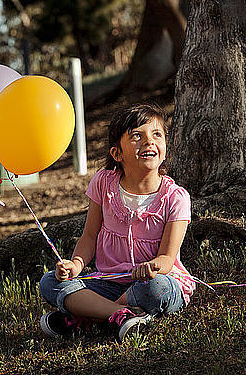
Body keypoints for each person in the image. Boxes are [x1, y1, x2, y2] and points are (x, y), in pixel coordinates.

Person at [39, 104, 195, 342]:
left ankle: (89, 315)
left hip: (153, 281)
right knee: (50, 282)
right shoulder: (104, 184)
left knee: (156, 290)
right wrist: (76, 266)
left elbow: (167, 258)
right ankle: (120, 315)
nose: (148, 141)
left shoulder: (175, 197)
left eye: (157, 135)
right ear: (117, 154)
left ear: (165, 146)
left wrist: (152, 267)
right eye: (136, 136)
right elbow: (89, 236)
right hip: (109, 282)